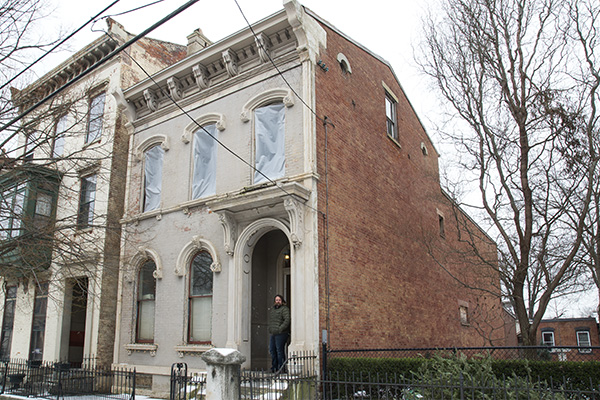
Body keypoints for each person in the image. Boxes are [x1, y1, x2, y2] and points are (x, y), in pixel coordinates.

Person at [268, 294, 290, 373]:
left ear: (282, 301)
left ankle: (281, 367)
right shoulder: (273, 310)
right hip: (273, 333)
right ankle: (274, 367)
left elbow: (287, 320)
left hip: (282, 333)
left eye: (279, 300)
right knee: (272, 350)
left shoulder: (284, 309)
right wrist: (270, 328)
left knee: (279, 350)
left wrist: (280, 329)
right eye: (276, 300)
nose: (278, 301)